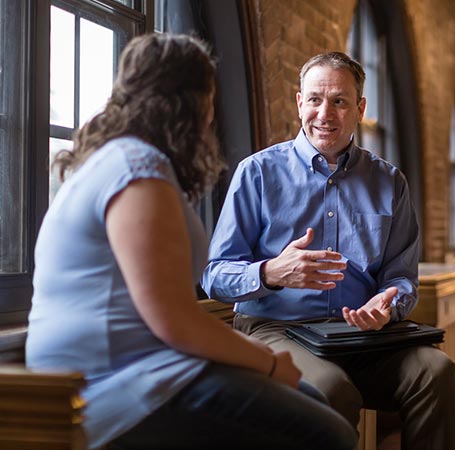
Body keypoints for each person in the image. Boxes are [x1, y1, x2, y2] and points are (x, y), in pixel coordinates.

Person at [26, 34, 356, 450]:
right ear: (191, 102)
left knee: (309, 398)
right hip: (111, 385)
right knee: (331, 434)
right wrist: (270, 363)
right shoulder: (136, 169)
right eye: (211, 98)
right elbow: (173, 319)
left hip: (139, 367)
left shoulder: (119, 159)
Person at [202, 51, 455, 450]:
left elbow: (401, 278)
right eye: (315, 100)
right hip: (277, 329)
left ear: (359, 108)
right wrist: (271, 272)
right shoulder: (256, 173)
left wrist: (386, 305)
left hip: (362, 336)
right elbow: (215, 275)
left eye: (339, 101)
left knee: (438, 373)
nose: (325, 113)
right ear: (299, 103)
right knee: (330, 389)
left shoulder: (390, 182)